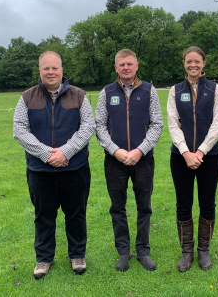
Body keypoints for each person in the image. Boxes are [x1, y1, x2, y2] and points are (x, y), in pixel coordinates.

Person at [13, 51, 95, 279]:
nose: (51, 72)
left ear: (62, 70)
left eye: (55, 68)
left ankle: (77, 255)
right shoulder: (27, 97)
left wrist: (65, 151)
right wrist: (47, 154)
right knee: (43, 216)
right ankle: (44, 259)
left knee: (76, 214)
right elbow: (19, 130)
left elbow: (88, 127)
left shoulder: (79, 96)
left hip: (75, 169)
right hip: (40, 171)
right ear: (40, 71)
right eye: (46, 68)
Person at [95, 49, 163, 272]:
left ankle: (143, 250)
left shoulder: (149, 91)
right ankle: (123, 251)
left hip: (142, 160)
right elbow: (100, 127)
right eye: (121, 64)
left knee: (144, 206)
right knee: (118, 207)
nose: (126, 67)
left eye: (129, 64)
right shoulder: (106, 92)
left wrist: (139, 151)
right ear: (116, 67)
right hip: (115, 161)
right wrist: (116, 151)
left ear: (137, 65)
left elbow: (156, 125)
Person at [167, 46, 218, 272]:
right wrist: (186, 152)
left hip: (209, 157)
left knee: (207, 203)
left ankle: (204, 250)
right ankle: (186, 252)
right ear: (184, 64)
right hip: (180, 157)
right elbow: (173, 122)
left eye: (197, 61)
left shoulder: (215, 89)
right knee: (183, 204)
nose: (193, 65)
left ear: (204, 63)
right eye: (189, 61)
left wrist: (200, 152)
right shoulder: (175, 90)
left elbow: (217, 123)